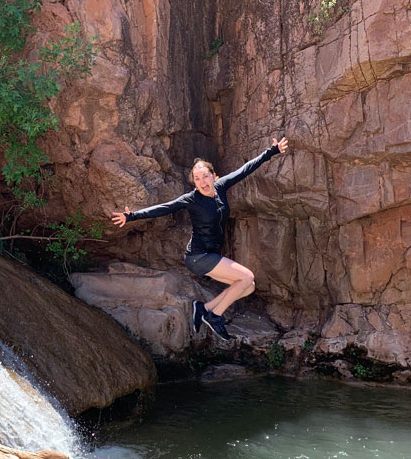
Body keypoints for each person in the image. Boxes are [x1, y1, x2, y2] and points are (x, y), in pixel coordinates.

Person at [111, 137, 290, 341]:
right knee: (247, 277)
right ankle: (215, 316)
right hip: (197, 257)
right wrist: (131, 216)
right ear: (194, 182)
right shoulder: (191, 199)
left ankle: (203, 309)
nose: (202, 182)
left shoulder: (221, 187)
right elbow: (163, 208)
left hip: (211, 255)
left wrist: (272, 151)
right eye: (197, 179)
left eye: (205, 177)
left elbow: (246, 169)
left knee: (248, 287)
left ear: (214, 176)